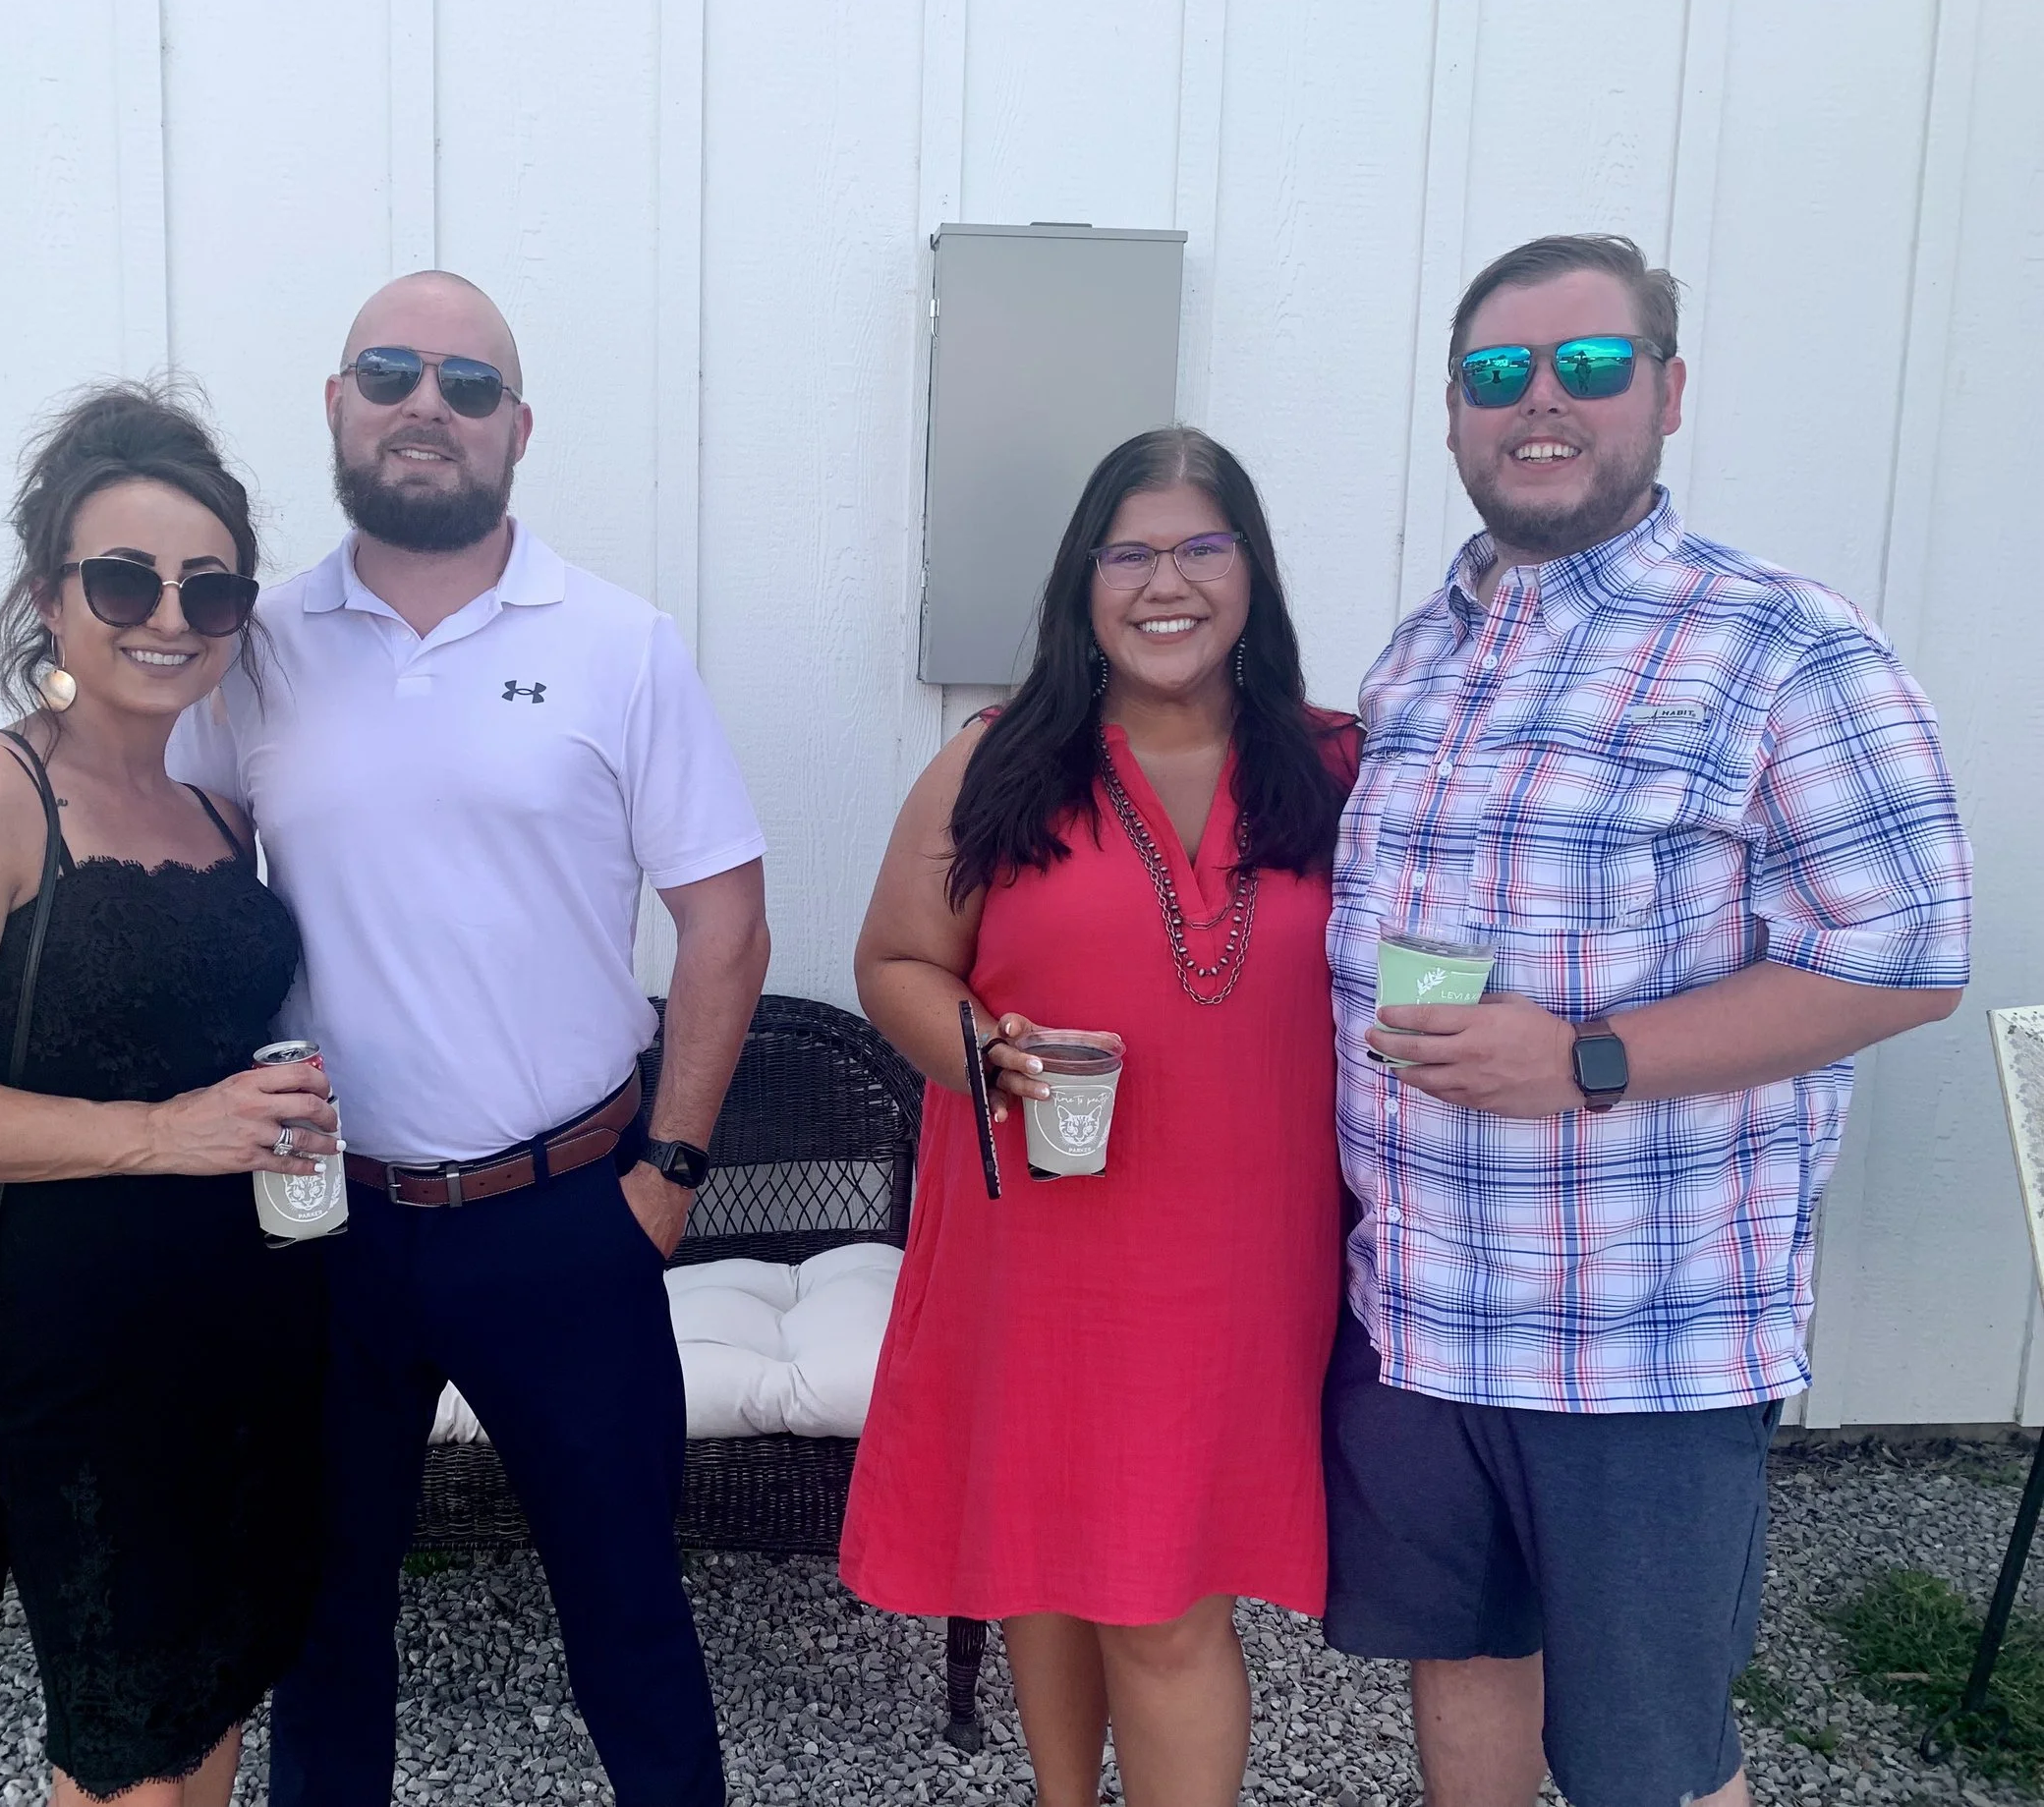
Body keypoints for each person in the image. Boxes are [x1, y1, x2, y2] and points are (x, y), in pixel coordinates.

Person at [1324, 233, 1973, 1807]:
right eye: (1496, 375)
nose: (1539, 403)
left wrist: (1586, 1060)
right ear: (1457, 414)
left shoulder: (1782, 645)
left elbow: (1906, 956)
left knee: (1649, 1762)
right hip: (1418, 1309)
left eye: (1588, 366)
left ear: (1667, 394)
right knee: (1466, 1671)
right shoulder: (1424, 657)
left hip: (1640, 1342)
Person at [167, 269, 769, 1807]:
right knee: (325, 1626)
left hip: (567, 1216)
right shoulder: (254, 647)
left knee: (629, 1616)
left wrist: (671, 1174)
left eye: (467, 383)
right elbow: (185, 905)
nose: (426, 404)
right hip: (322, 1225)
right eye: (389, 371)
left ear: (516, 430)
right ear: (336, 406)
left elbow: (725, 918)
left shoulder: (620, 644)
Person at [0, 383, 340, 1807]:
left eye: (209, 588)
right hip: (82, 1349)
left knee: (217, 1684)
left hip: (255, 1318)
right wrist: (160, 1133)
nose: (168, 613)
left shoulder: (220, 811)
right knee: (118, 1740)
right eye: (125, 577)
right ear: (53, 595)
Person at [842, 426, 1357, 1806]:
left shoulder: (1338, 765)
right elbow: (895, 961)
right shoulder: (1000, 762)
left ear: (1252, 570)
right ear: (1084, 580)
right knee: (1049, 1555)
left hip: (1242, 1257)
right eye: (1129, 551)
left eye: (1202, 545)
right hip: (1045, 1235)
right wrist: (982, 1047)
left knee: (1167, 1599)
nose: (1164, 581)